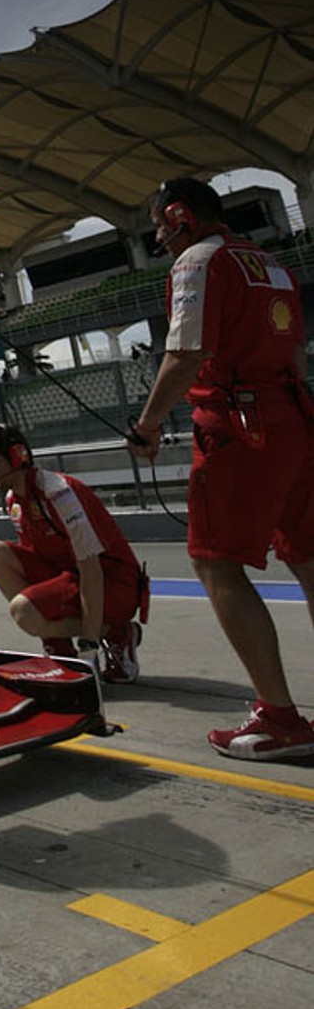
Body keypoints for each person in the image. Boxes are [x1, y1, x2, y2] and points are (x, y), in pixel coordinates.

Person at [128, 177, 314, 760]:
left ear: (180, 217)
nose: (158, 236)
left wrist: (148, 425)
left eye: (159, 224)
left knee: (216, 565)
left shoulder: (197, 262)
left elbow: (184, 355)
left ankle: (280, 718)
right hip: (298, 419)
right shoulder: (268, 262)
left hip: (242, 429)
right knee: (310, 558)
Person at [0, 421, 148, 682]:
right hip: (71, 576)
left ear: (17, 457)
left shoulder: (60, 494)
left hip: (113, 581)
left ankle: (116, 633)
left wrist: (88, 646)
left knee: (25, 612)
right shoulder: (14, 501)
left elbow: (92, 569)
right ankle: (60, 650)